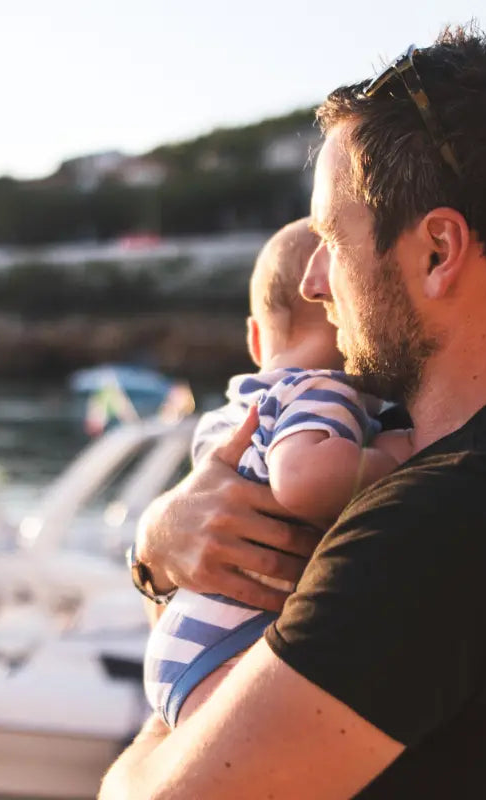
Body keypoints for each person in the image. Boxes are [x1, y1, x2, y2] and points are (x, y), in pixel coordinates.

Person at [103, 27, 486, 799]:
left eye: (333, 240)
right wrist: (167, 556)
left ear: (438, 250)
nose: (312, 283)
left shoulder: (447, 517)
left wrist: (161, 573)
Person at [144, 218, 413, 729]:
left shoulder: (231, 411)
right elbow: (303, 479)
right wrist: (396, 458)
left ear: (253, 337)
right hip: (232, 649)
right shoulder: (322, 391)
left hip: (187, 639)